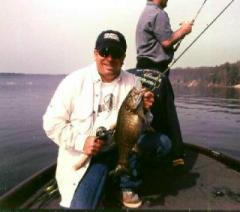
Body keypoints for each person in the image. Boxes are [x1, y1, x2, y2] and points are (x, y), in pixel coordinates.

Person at [43, 30, 172, 209]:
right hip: (91, 157)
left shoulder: (133, 82)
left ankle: (126, 184)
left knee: (163, 143)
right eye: (104, 52)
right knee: (81, 207)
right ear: (95, 53)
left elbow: (141, 124)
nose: (110, 58)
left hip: (122, 146)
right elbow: (51, 123)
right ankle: (110, 180)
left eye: (116, 53)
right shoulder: (73, 82)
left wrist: (146, 109)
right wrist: (82, 141)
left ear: (123, 57)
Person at [135, 0, 193, 167]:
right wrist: (184, 30)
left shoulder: (146, 12)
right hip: (156, 69)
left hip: (143, 69)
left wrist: (180, 31)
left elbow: (161, 40)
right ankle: (176, 156)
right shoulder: (159, 13)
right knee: (167, 112)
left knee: (151, 111)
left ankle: (150, 154)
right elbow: (167, 42)